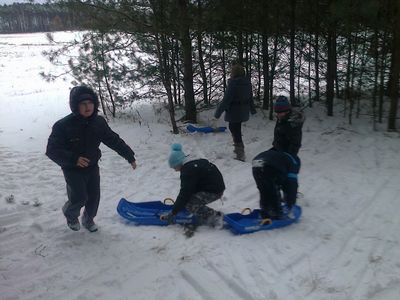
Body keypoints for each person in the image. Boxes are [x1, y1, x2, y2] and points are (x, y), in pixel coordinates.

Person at [46, 85, 137, 232]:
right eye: (83, 104)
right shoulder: (62, 126)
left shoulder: (98, 122)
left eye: (90, 103)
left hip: (92, 166)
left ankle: (88, 219)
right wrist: (74, 159)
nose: (87, 107)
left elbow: (113, 139)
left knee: (94, 197)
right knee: (79, 197)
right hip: (72, 169)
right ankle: (71, 214)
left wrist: (129, 155)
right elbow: (52, 150)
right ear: (75, 106)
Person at [252, 95, 304, 219]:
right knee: (267, 181)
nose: (279, 114)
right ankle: (269, 207)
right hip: (275, 153)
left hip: (285, 154)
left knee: (281, 177)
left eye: (282, 112)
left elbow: (295, 143)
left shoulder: (293, 123)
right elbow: (278, 139)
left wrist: (287, 156)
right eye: (277, 112)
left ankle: (275, 206)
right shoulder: (281, 119)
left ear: (288, 110)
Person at [161, 143, 225, 234]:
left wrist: (173, 212)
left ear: (178, 163)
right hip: (215, 187)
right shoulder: (193, 163)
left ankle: (216, 217)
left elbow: (184, 193)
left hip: (214, 191)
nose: (175, 170)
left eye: (174, 167)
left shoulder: (188, 171)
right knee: (188, 199)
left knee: (190, 204)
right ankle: (203, 212)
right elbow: (189, 189)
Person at [214, 63, 256, 161]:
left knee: (234, 129)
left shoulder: (233, 84)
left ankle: (240, 153)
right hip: (243, 111)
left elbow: (226, 100)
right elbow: (250, 98)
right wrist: (252, 110)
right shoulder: (247, 83)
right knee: (236, 129)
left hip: (234, 112)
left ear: (234, 73)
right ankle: (239, 150)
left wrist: (218, 113)